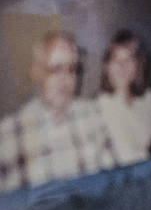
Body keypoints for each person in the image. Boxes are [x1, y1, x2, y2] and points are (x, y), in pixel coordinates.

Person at [0, 33, 119, 190]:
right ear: (36, 72)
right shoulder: (10, 133)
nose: (66, 79)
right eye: (56, 69)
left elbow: (113, 183)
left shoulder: (93, 115)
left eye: (72, 69)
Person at [97, 29, 151, 166]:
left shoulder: (148, 96)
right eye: (116, 59)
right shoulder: (101, 105)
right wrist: (150, 154)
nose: (122, 66)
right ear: (107, 66)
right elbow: (125, 156)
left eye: (128, 59)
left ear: (138, 65)